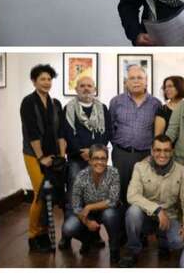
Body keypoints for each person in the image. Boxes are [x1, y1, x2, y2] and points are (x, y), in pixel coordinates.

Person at [120, 135, 184, 268]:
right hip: (146, 216)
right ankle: (133, 250)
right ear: (152, 151)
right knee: (133, 212)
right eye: (158, 150)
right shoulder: (140, 167)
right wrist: (157, 210)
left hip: (169, 218)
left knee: (179, 241)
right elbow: (132, 195)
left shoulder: (182, 171)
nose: (162, 154)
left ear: (172, 152)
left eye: (166, 150)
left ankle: (163, 242)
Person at [59, 76, 112, 250]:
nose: (86, 88)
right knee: (72, 199)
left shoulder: (102, 108)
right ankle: (66, 236)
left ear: (94, 89)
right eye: (82, 86)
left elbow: (107, 133)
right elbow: (66, 133)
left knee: (95, 197)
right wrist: (80, 151)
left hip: (97, 162)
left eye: (89, 85)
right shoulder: (68, 108)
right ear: (76, 89)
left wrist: (93, 153)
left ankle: (94, 235)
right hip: (76, 160)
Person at [21, 64, 67, 253]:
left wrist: (61, 156)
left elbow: (61, 131)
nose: (46, 82)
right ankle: (34, 236)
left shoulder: (56, 103)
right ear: (34, 81)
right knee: (40, 195)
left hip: (53, 155)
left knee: (51, 195)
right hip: (34, 155)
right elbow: (32, 133)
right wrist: (41, 157)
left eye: (49, 79)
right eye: (42, 79)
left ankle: (44, 233)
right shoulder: (28, 102)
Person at [109, 64, 162, 211]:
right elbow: (110, 127)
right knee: (121, 192)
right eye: (132, 78)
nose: (136, 81)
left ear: (146, 81)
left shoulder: (156, 104)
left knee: (144, 191)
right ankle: (121, 224)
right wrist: (118, 146)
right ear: (126, 82)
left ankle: (140, 223)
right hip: (121, 154)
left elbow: (158, 130)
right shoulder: (116, 102)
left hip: (145, 156)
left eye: (140, 78)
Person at [61, 144, 121, 263]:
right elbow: (76, 206)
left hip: (106, 210)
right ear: (89, 160)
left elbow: (113, 200)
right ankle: (87, 239)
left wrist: (89, 206)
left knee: (111, 215)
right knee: (68, 228)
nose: (100, 162)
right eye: (96, 158)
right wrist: (87, 222)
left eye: (103, 158)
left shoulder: (113, 173)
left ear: (107, 159)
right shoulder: (81, 176)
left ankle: (114, 249)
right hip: (87, 214)